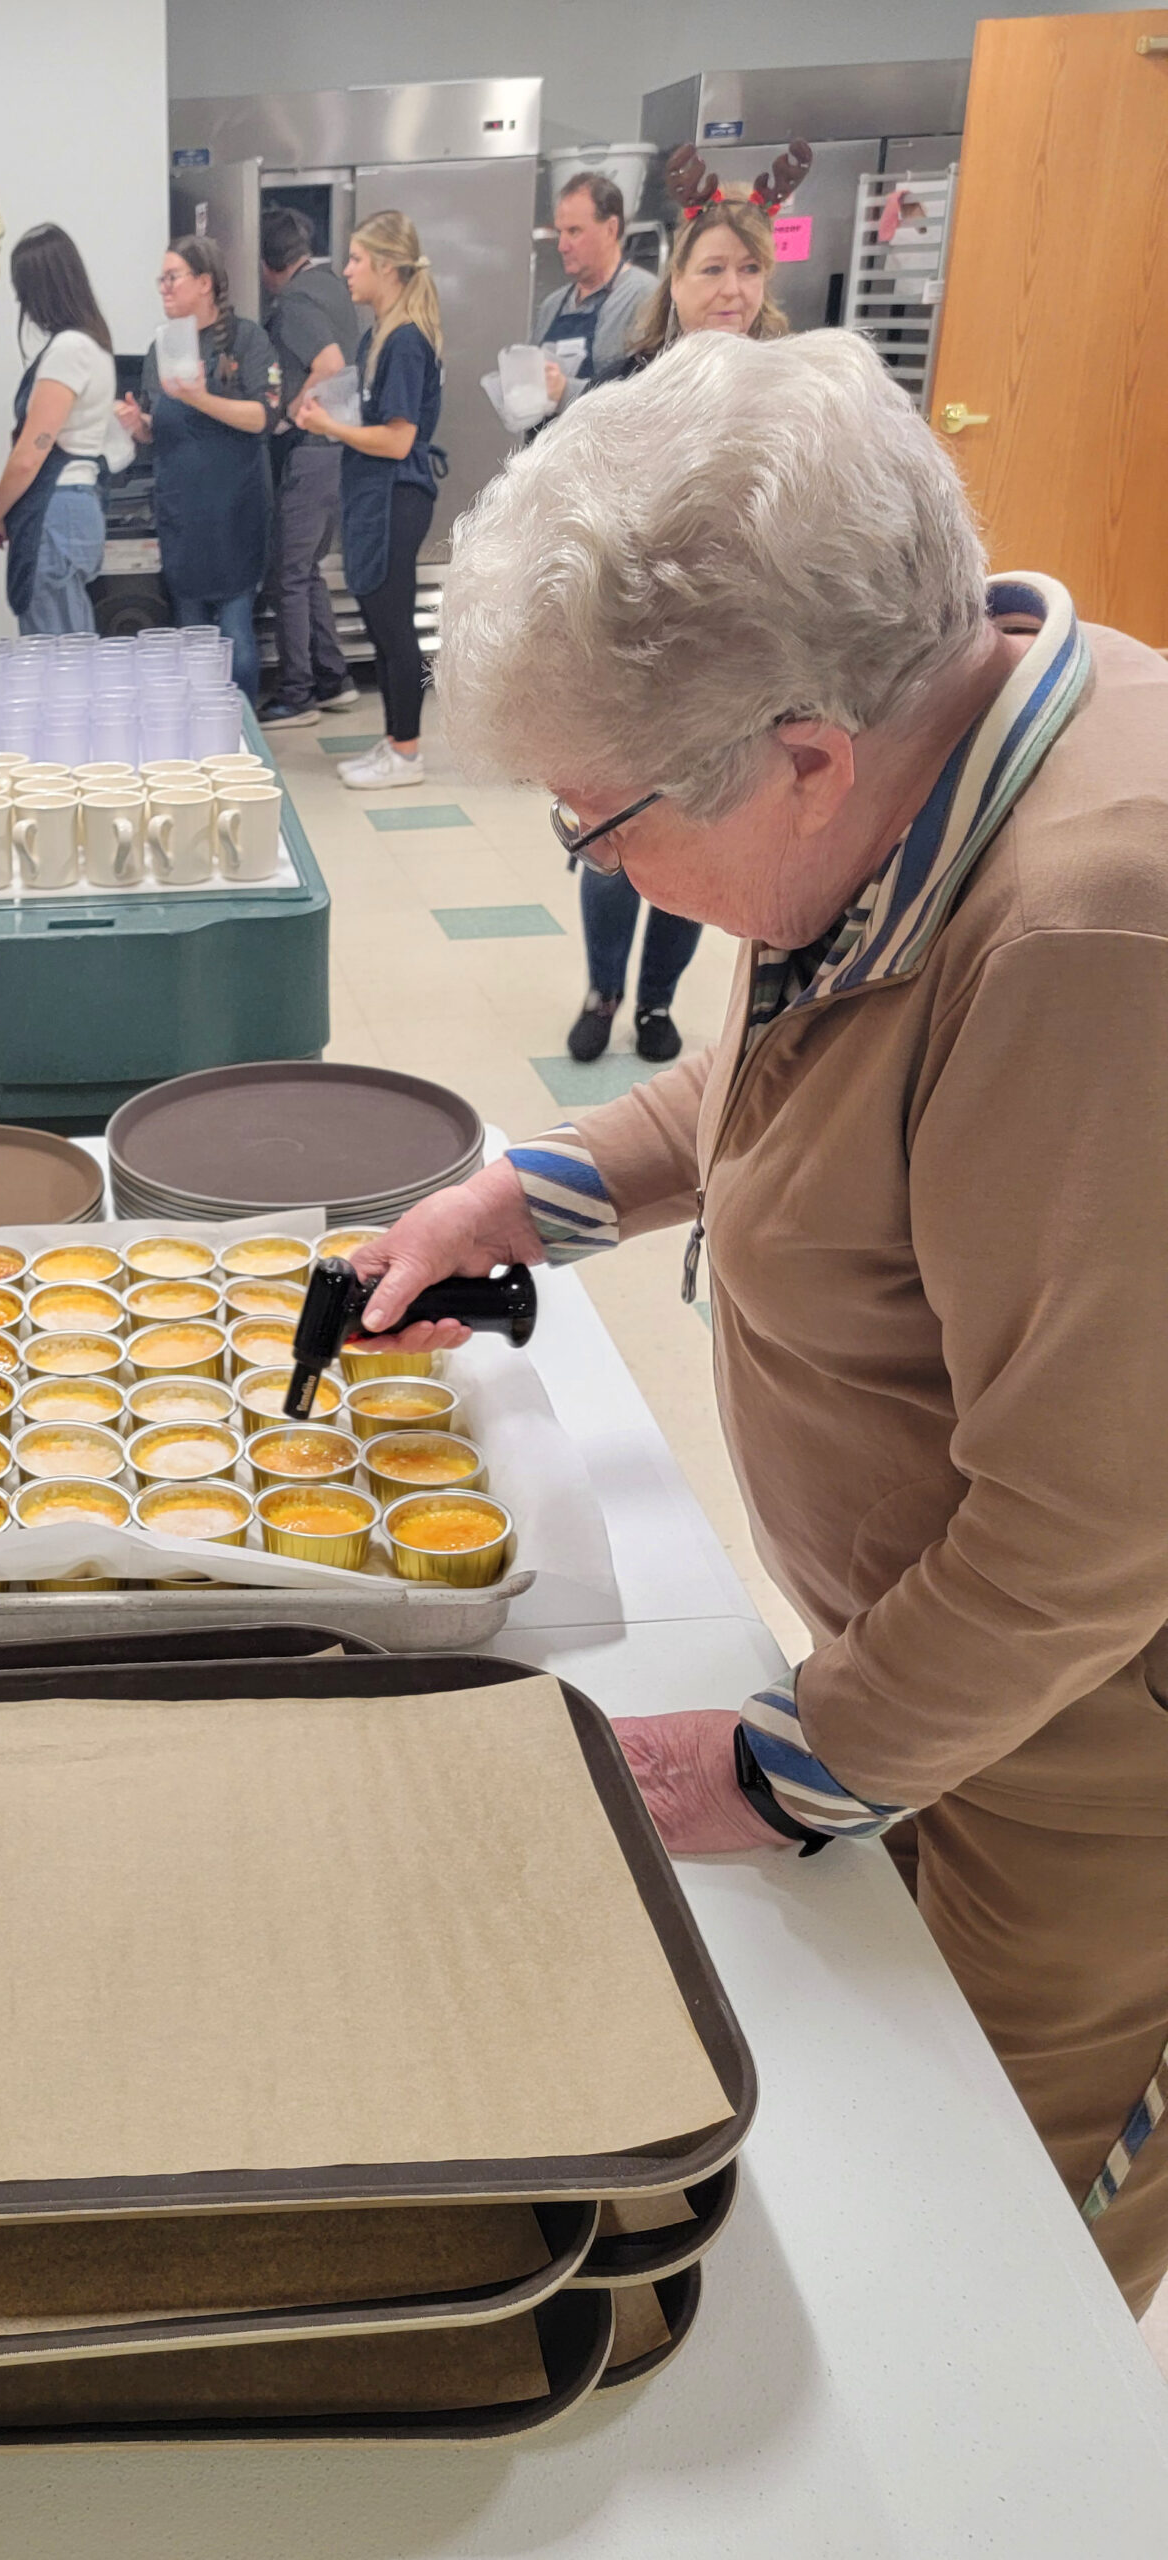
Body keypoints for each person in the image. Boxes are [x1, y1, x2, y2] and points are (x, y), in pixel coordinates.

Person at [355, 327, 1168, 2319]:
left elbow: (1080, 1539)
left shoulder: (1091, 929)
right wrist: (532, 1190)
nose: (598, 865)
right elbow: (792, 1079)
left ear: (802, 754)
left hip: (1076, 1763)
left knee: (978, 2242)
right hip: (931, 1681)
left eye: (596, 819)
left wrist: (781, 1762)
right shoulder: (914, 770)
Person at [562, 191, 793, 1065]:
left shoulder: (796, 383)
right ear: (677, 280)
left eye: (748, 268)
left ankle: (656, 1004)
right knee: (614, 830)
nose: (731, 288)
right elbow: (574, 493)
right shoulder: (631, 382)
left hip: (743, 645)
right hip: (636, 637)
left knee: (704, 830)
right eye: (712, 269)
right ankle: (600, 990)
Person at [292, 210, 444, 792]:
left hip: (395, 496)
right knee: (381, 629)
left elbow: (400, 438)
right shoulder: (376, 334)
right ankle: (392, 740)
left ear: (386, 265)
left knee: (394, 627)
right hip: (373, 494)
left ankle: (407, 753)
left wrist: (334, 430)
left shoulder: (405, 340)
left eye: (356, 260)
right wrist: (331, 414)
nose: (347, 271)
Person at [115, 235, 280, 698]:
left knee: (234, 635)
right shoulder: (161, 347)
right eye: (160, 280)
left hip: (233, 512)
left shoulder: (247, 340)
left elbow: (264, 417)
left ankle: (239, 733)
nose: (163, 288)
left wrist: (201, 397)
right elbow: (160, 428)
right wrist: (137, 424)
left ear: (205, 282)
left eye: (172, 278)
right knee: (189, 637)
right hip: (180, 513)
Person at [0, 224, 114, 635]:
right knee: (72, 650)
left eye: (23, 289)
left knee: (58, 664)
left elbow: (31, 453)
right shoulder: (94, 346)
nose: (21, 301)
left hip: (57, 511)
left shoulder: (69, 350)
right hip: (76, 507)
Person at [255, 207, 361, 727]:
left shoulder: (295, 301)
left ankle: (297, 694)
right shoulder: (334, 288)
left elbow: (331, 365)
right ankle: (333, 676)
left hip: (313, 452)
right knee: (309, 570)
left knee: (288, 574)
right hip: (339, 451)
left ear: (268, 263)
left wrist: (291, 415)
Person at [534, 172, 656, 413]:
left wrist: (566, 392)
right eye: (560, 233)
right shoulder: (552, 305)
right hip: (548, 446)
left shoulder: (644, 296)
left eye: (574, 231)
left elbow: (646, 397)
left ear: (611, 229)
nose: (562, 246)